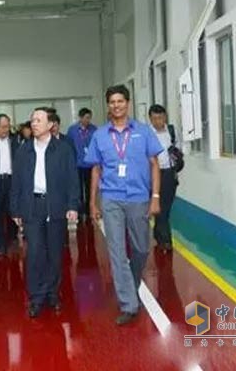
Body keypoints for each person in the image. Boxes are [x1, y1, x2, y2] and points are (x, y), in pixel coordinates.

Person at [85, 84, 163, 325]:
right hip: (111, 199)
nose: (116, 105)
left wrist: (155, 197)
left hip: (139, 197)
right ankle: (129, 304)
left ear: (127, 103)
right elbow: (96, 170)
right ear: (107, 106)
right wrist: (92, 202)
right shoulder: (99, 135)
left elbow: (154, 165)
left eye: (120, 101)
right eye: (112, 102)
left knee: (141, 248)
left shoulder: (143, 132)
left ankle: (132, 279)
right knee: (117, 252)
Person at [10, 107, 80, 318]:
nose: (33, 124)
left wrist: (73, 205)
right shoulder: (24, 150)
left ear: (51, 125)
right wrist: (15, 208)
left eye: (38, 120)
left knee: (55, 253)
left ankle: (53, 294)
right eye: (32, 120)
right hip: (32, 205)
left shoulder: (63, 149)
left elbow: (72, 179)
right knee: (35, 253)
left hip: (56, 205)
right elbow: (17, 182)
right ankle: (36, 297)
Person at [0, 114, 20, 257]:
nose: (7, 129)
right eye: (4, 127)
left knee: (13, 212)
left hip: (12, 181)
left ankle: (12, 240)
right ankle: (0, 245)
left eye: (8, 126)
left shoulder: (14, 141)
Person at [148, 104, 179, 252]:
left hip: (169, 173)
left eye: (160, 118)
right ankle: (165, 240)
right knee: (158, 207)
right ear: (150, 119)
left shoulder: (171, 131)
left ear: (165, 117)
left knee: (165, 207)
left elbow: (179, 148)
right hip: (153, 173)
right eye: (154, 118)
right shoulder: (147, 134)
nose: (157, 121)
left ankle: (159, 234)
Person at [67, 108, 97, 219]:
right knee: (78, 189)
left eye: (89, 118)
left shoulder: (94, 130)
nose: (88, 120)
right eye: (86, 118)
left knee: (90, 188)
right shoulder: (72, 130)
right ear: (80, 118)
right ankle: (79, 210)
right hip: (77, 164)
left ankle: (89, 209)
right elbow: (69, 146)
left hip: (90, 164)